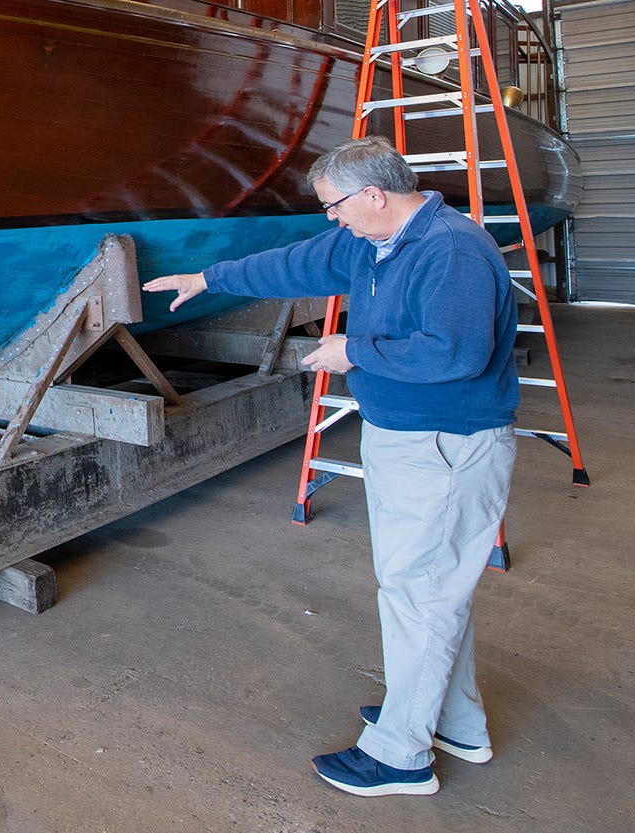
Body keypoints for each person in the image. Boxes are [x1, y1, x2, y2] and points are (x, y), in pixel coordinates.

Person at [142, 138, 518, 798]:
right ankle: (454, 721)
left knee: (421, 594)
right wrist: (210, 278)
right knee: (429, 590)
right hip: (408, 437)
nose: (331, 220)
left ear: (374, 195)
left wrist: (355, 349)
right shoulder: (372, 241)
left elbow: (454, 354)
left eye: (334, 206)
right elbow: (296, 265)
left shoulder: (450, 250)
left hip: (447, 445)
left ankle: (401, 754)